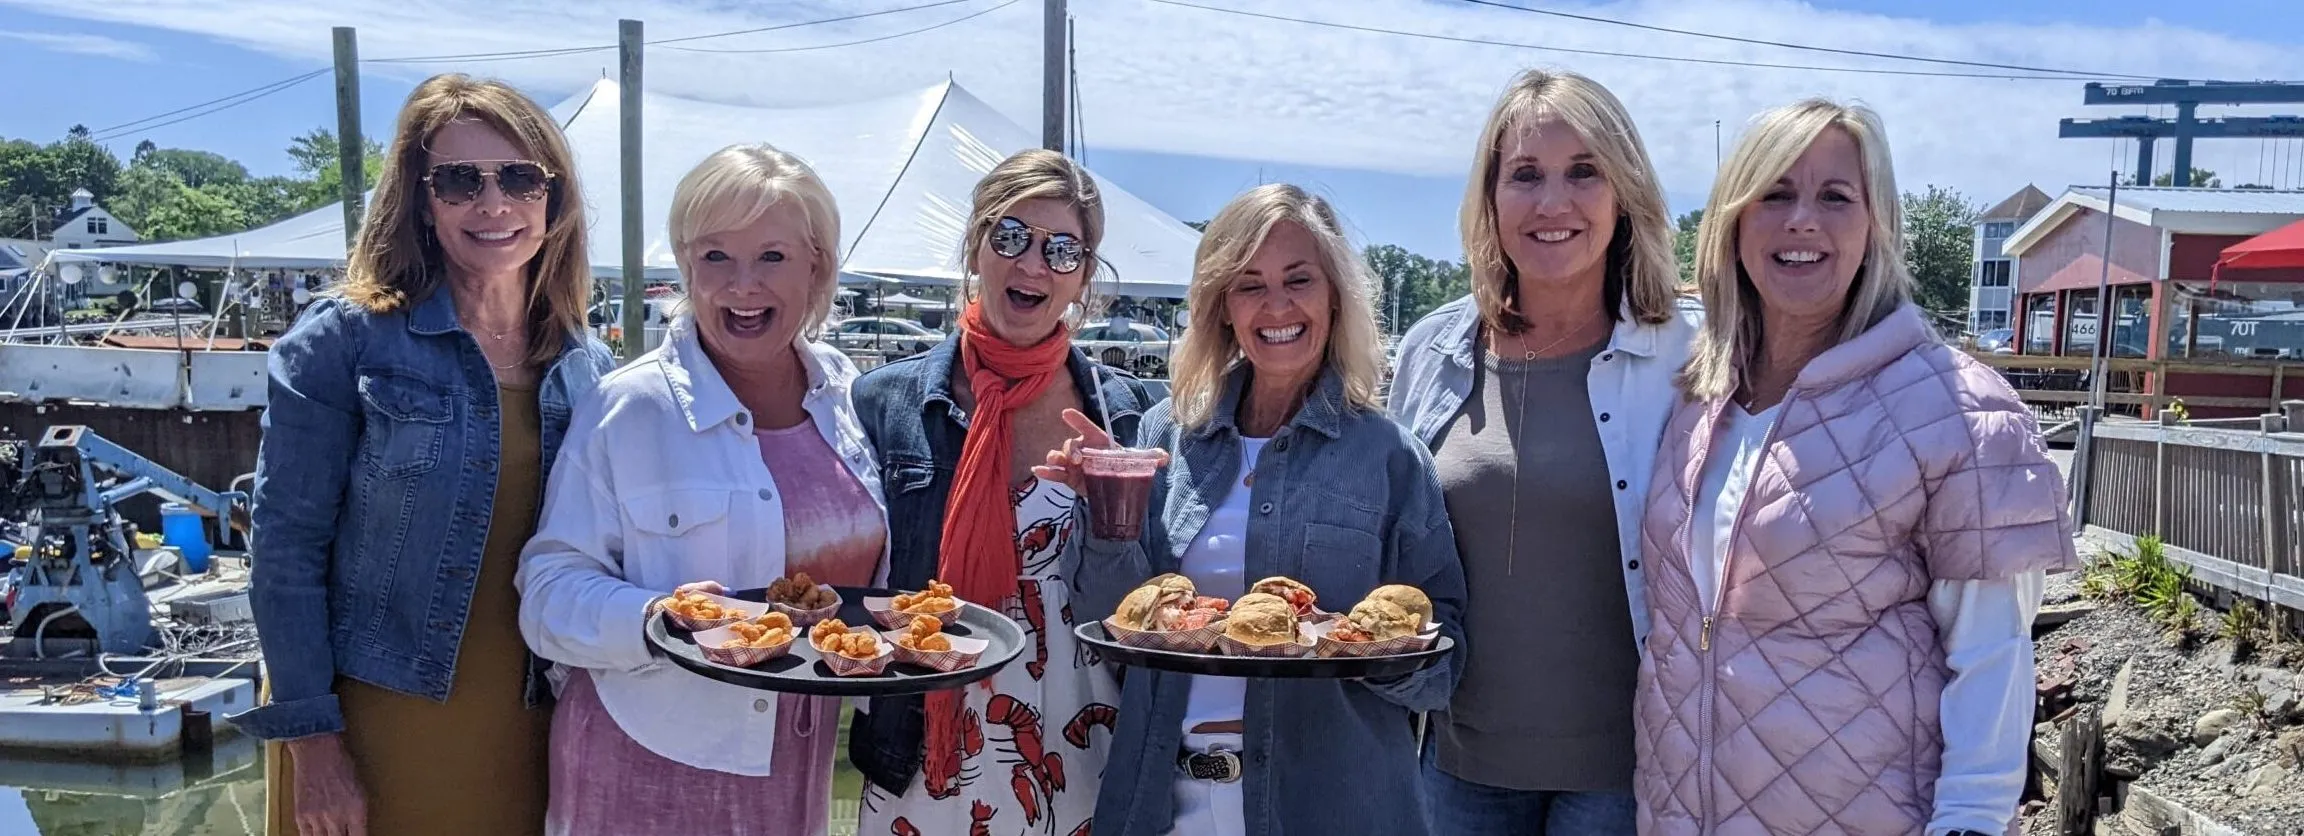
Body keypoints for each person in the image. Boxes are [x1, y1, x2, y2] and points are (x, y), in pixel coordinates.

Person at [1634, 98, 2077, 835]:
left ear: (1877, 226)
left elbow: (1993, 657)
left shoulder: (1955, 409)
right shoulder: (1695, 397)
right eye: (1775, 193)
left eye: (1835, 196)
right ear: (1735, 221)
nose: (1801, 219)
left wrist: (1968, 821)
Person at [238, 73, 612, 836]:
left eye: (518, 178)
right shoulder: (343, 342)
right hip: (380, 726)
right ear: (419, 197)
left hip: (542, 723)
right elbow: (284, 554)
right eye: (458, 181)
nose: (493, 204)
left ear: (554, 196)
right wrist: (316, 749)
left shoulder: (588, 364)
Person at [1046, 183, 1466, 836]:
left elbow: (1446, 664)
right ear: (1221, 306)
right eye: (1249, 285)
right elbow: (1113, 628)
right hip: (1167, 802)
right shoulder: (1165, 436)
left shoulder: (1389, 457)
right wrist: (1110, 509)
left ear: (1335, 295)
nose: (1277, 306)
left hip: (1336, 808)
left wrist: (1369, 648)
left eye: (1299, 279)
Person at [514, 144, 886, 836]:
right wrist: (658, 617)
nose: (742, 285)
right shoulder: (629, 408)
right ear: (687, 268)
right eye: (716, 257)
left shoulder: (849, 398)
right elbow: (547, 591)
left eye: (772, 257)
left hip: (793, 762)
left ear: (818, 267)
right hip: (645, 763)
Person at [1386, 68, 1696, 834]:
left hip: (1623, 777)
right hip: (1456, 765)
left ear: (1624, 192)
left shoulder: (1689, 355)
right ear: (1490, 199)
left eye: (1583, 172)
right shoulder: (1433, 349)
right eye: (1525, 175)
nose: (1553, 203)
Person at [849, 148, 1157, 836]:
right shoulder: (883, 402)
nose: (1032, 265)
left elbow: (1146, 610)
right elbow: (850, 578)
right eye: (1011, 236)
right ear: (976, 245)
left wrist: (1110, 513)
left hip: (1084, 751)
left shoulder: (1127, 412)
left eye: (1062, 249)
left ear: (1083, 277)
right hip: (924, 754)